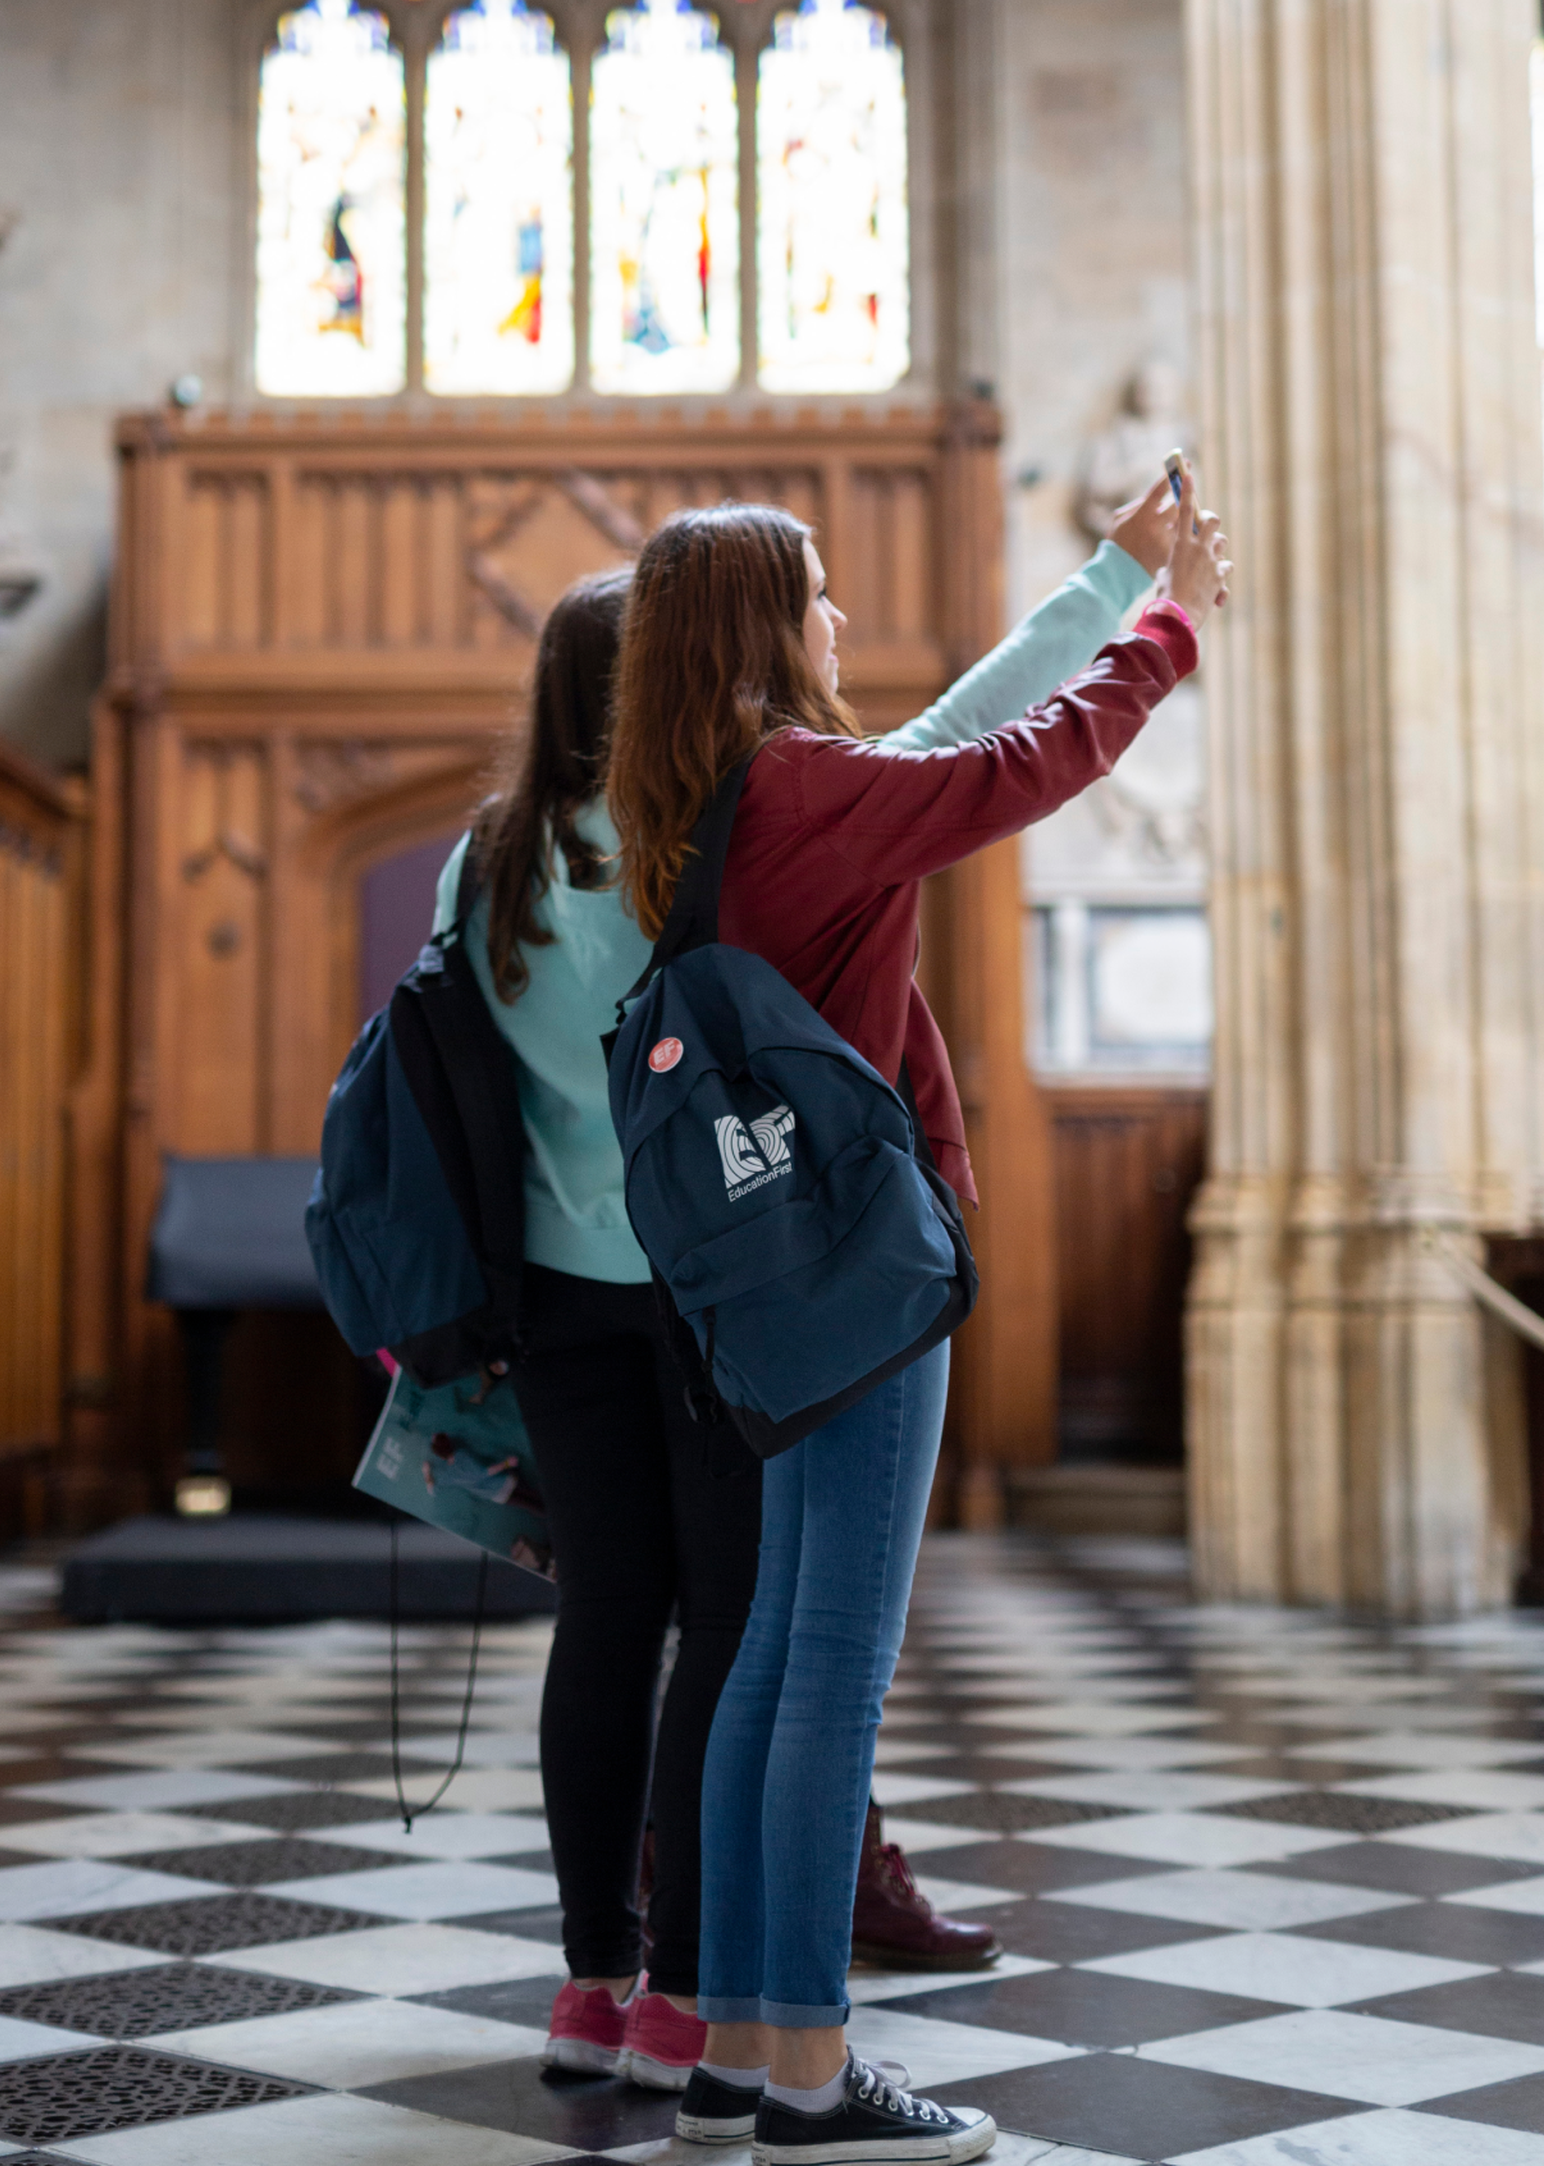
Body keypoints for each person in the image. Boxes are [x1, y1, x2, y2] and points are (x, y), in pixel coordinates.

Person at [426, 475, 1187, 2093]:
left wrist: (1115, 579)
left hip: (631, 1280)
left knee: (719, 1637)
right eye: (823, 593)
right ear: (763, 632)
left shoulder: (598, 832)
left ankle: (684, 2018)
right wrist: (1158, 616)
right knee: (801, 1649)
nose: (844, 617)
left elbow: (953, 743)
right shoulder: (778, 796)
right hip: (812, 1269)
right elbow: (1003, 754)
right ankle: (775, 2047)